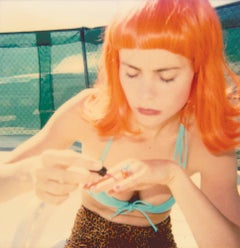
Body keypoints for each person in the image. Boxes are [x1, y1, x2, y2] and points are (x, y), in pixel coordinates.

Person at [1, 0, 240, 247]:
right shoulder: (91, 111)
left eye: (166, 77)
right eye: (132, 73)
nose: (145, 94)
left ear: (198, 71)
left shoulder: (206, 138)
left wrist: (175, 178)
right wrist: (27, 173)